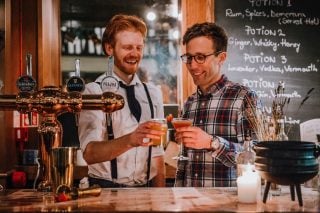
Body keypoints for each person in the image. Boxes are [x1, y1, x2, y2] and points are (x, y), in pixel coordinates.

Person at [78, 14, 166, 187]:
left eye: (139, 47)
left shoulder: (153, 93)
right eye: (127, 47)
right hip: (105, 192)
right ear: (110, 49)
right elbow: (89, 153)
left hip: (146, 193)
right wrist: (130, 140)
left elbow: (157, 153)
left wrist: (160, 196)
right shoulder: (94, 91)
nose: (134, 54)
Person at [174, 22, 258, 187]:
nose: (192, 65)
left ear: (221, 58)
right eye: (189, 58)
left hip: (227, 203)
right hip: (189, 202)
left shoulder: (244, 98)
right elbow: (184, 163)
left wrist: (212, 143)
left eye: (200, 57)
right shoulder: (190, 103)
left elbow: (257, 156)